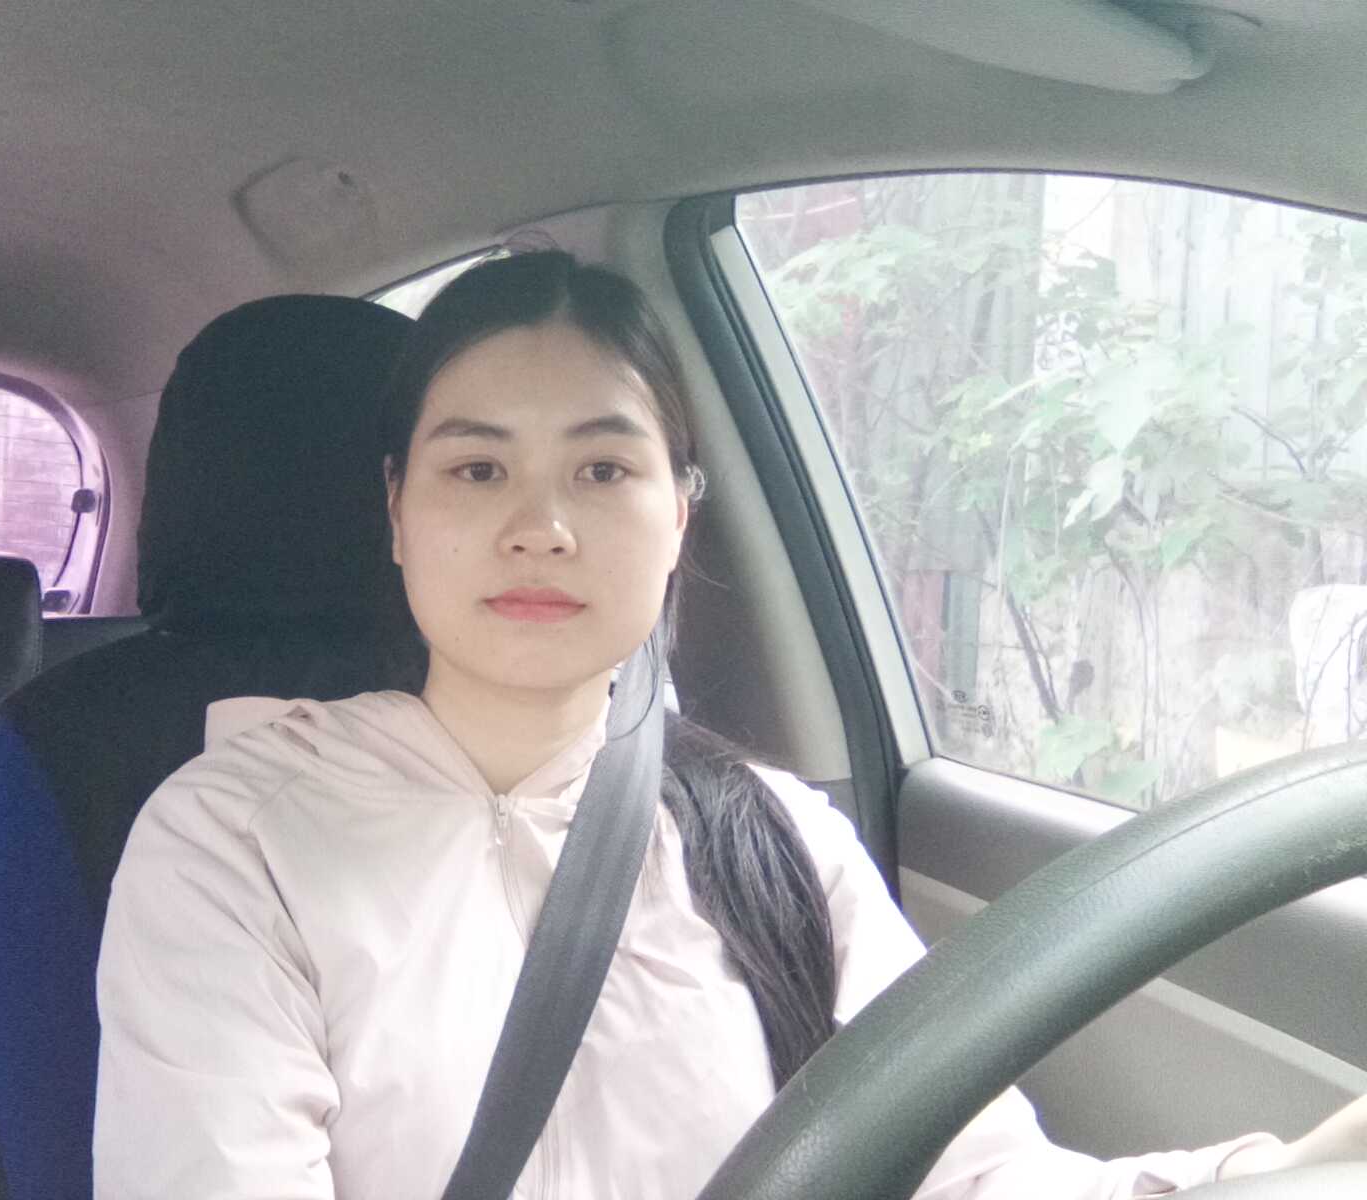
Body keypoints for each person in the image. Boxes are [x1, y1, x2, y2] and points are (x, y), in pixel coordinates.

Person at [93, 251, 1365, 1198]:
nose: (541, 527)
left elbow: (967, 1173)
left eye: (603, 469)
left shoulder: (777, 839)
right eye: (477, 469)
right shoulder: (237, 835)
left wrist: (1282, 1169)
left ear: (678, 516)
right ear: (395, 512)